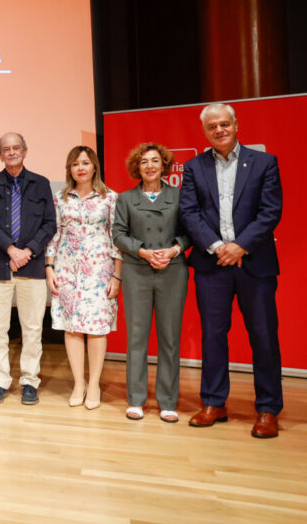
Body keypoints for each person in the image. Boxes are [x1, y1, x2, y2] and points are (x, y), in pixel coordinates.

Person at [179, 103, 283, 438]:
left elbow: (270, 211)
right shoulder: (195, 167)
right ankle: (214, 403)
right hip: (212, 264)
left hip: (255, 263)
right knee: (212, 337)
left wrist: (240, 246)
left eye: (225, 124)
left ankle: (267, 409)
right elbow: (189, 213)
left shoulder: (264, 162)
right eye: (213, 127)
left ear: (236, 125)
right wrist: (217, 246)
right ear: (205, 131)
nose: (220, 130)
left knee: (264, 338)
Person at [0, 132, 56, 406]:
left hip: (31, 266)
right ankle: (0, 381)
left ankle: (30, 381)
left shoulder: (41, 184)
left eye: (16, 148)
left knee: (32, 328)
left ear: (25, 150)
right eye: (6, 149)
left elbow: (49, 224)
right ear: (0, 155)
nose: (11, 152)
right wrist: (11, 249)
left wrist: (28, 251)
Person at [112, 143, 190, 423]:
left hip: (173, 271)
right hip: (137, 271)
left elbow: (189, 232)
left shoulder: (179, 196)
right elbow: (118, 234)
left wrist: (173, 250)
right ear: (137, 167)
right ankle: (135, 399)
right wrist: (143, 251)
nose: (149, 166)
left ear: (164, 165)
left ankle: (168, 401)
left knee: (170, 337)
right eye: (144, 161)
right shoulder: (125, 198)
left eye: (155, 161)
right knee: (137, 337)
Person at [45, 145, 122, 410]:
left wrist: (117, 276)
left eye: (85, 163)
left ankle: (95, 384)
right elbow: (54, 234)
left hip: (100, 271)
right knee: (73, 326)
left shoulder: (110, 197)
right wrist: (49, 268)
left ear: (94, 167)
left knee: (97, 328)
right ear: (69, 169)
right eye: (75, 164)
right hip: (67, 270)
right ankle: (79, 382)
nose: (80, 168)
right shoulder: (60, 198)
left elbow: (117, 238)